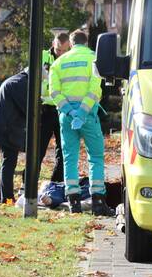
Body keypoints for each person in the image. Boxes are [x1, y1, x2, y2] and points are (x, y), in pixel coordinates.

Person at [49, 30, 109, 215]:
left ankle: (73, 202)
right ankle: (98, 202)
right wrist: (82, 112)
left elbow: (54, 92)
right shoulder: (93, 59)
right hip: (88, 115)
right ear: (87, 42)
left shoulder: (58, 63)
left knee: (69, 158)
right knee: (96, 156)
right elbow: (94, 89)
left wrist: (70, 111)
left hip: (66, 117)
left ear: (71, 43)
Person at [0, 68, 29, 204]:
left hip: (3, 126)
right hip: (5, 128)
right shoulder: (20, 83)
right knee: (9, 162)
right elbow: (28, 108)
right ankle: (6, 198)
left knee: (8, 162)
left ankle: (5, 197)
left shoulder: (17, 80)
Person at [38, 32, 70, 183]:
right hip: (44, 109)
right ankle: (28, 184)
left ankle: (56, 184)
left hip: (63, 109)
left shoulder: (72, 59)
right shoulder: (43, 56)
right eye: (58, 50)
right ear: (53, 44)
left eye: (64, 50)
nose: (61, 53)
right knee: (37, 150)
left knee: (63, 150)